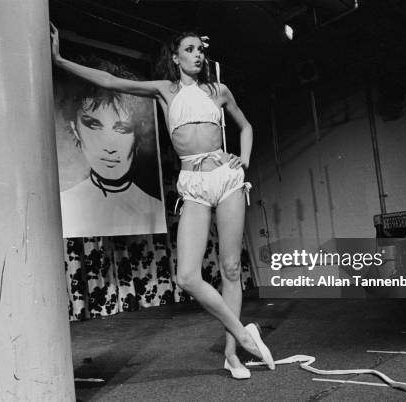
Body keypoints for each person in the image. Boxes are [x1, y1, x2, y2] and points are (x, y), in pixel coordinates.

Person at [51, 24, 275, 378]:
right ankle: (245, 332)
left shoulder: (219, 90)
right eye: (189, 49)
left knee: (231, 269)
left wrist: (243, 160)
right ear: (175, 57)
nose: (197, 55)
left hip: (227, 179)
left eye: (200, 50)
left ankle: (233, 355)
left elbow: (245, 126)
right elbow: (110, 81)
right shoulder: (164, 91)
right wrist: (60, 60)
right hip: (193, 183)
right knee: (187, 276)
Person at [56, 57, 166, 238]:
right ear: (76, 130)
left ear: (136, 134)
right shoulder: (65, 203)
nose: (109, 146)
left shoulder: (154, 207)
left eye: (122, 128)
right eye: (94, 125)